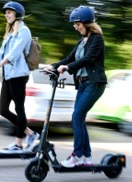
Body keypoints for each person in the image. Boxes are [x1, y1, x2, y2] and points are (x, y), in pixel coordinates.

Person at [44, 6, 107, 167]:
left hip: (94, 83)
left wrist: (67, 68)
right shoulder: (82, 40)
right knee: (79, 118)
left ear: (87, 22)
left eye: (77, 24)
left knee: (77, 117)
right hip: (82, 83)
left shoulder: (97, 39)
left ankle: (77, 155)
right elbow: (70, 57)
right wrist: (54, 66)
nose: (75, 27)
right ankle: (86, 157)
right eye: (74, 24)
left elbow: (88, 59)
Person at [0, 1, 39, 154]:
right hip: (8, 75)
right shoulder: (9, 33)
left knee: (19, 108)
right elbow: (1, 52)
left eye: (9, 12)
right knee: (3, 110)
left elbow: (14, 54)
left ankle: (18, 143)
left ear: (17, 14)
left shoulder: (24, 31)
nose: (6, 15)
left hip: (19, 75)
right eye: (6, 12)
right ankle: (30, 133)